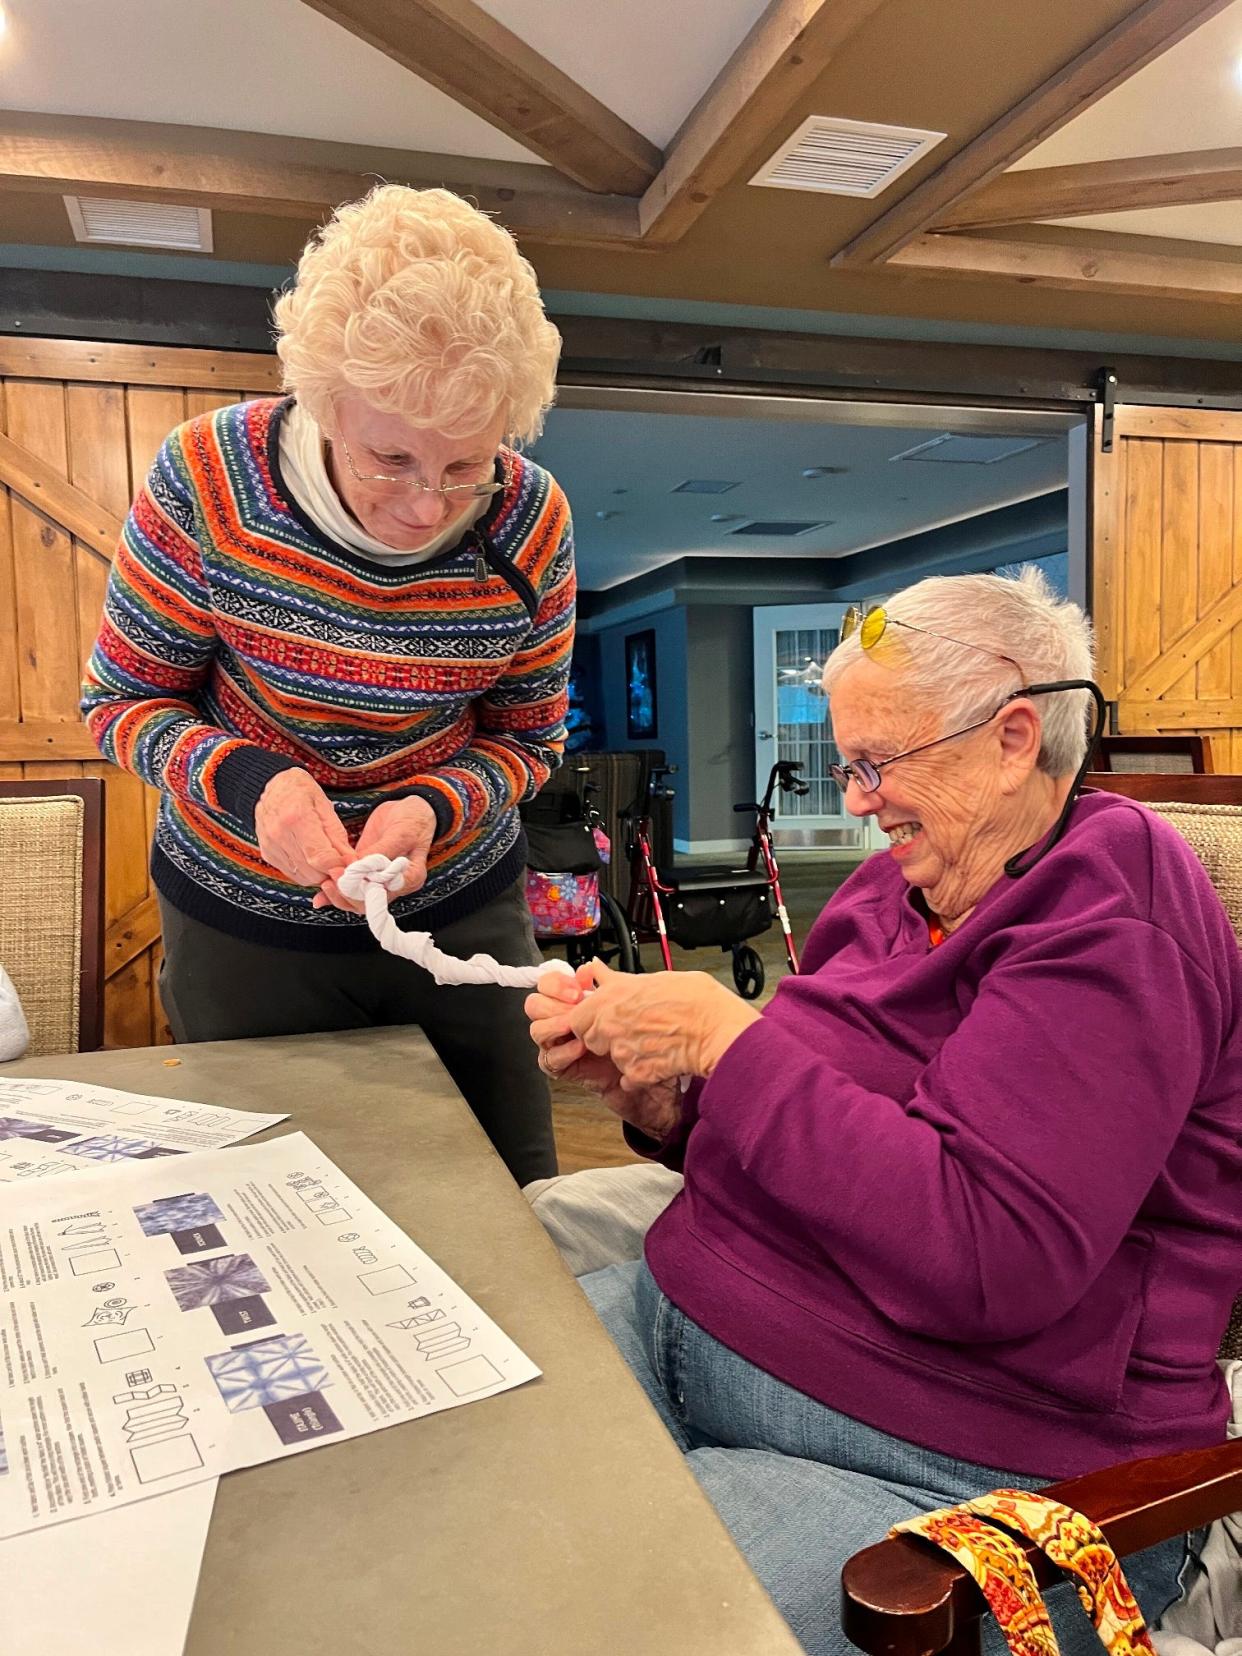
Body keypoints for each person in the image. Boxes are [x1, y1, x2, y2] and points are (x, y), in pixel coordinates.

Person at [526, 568, 1242, 1655]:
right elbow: (830, 1136)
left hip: (973, 1461)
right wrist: (665, 1097)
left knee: (571, 1611)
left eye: (878, 763)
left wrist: (728, 1040)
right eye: (847, 764)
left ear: (1012, 739)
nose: (856, 800)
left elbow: (991, 1254)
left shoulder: (1112, 899)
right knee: (439, 1472)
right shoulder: (894, 889)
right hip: (703, 1335)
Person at [82, 185, 572, 1185]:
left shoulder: (529, 521)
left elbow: (528, 741)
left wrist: (434, 806)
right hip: (240, 922)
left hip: (457, 911)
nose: (426, 506)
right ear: (321, 401)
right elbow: (121, 704)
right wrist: (249, 783)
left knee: (509, 1190)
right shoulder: (210, 481)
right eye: (390, 457)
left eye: (465, 465)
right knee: (268, 1205)